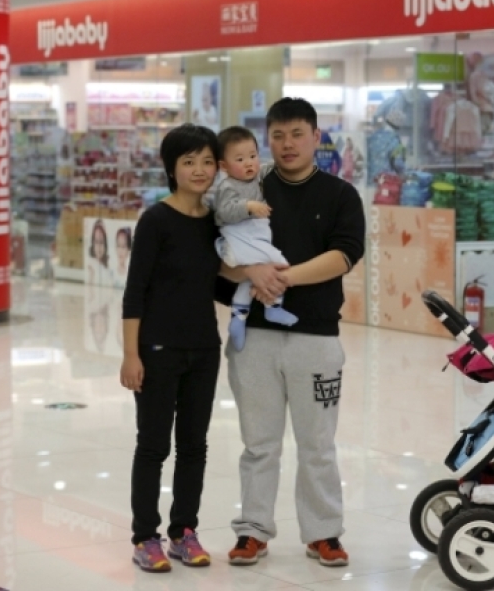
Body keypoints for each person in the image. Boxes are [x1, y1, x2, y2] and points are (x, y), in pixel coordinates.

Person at [226, 98, 365, 567]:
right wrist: (251, 273)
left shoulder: (340, 194)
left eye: (297, 135)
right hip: (255, 338)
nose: (287, 145)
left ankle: (323, 532)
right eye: (279, 136)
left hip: (317, 338)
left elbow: (345, 254)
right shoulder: (245, 190)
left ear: (316, 136)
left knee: (318, 444)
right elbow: (217, 256)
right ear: (267, 137)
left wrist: (281, 276)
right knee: (258, 441)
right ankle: (253, 530)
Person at [120, 123, 239, 573]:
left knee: (195, 446)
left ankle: (183, 532)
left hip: (203, 349)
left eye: (208, 161)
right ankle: (144, 536)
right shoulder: (155, 220)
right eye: (189, 161)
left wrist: (263, 274)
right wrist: (131, 354)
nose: (200, 169)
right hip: (156, 349)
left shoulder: (215, 220)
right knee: (152, 446)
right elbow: (135, 292)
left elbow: (215, 282)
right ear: (171, 168)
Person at [211, 126, 298, 351]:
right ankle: (273, 305)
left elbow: (272, 168)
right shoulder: (227, 186)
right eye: (240, 159)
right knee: (279, 264)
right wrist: (248, 206)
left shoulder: (257, 176)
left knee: (249, 279)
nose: (249, 163)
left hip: (255, 236)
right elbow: (224, 211)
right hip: (241, 237)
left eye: (253, 156)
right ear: (223, 166)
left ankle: (238, 318)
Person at [86, 219, 113, 287]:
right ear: (93, 243)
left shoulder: (109, 267)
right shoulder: (90, 266)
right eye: (96, 242)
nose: (99, 247)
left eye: (101, 242)